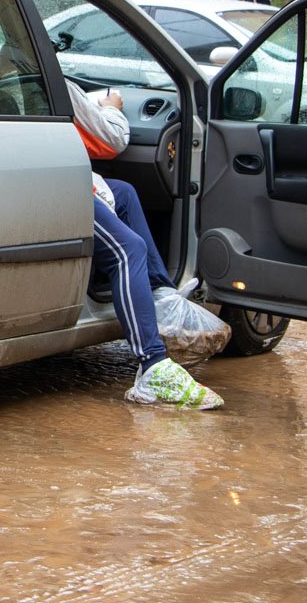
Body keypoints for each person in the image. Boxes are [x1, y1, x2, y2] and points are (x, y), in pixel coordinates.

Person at [68, 81, 224, 410]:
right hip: (55, 184)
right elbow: (110, 140)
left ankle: (160, 296)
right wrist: (111, 108)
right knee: (128, 250)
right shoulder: (45, 79)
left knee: (123, 193)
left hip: (41, 173)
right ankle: (152, 365)